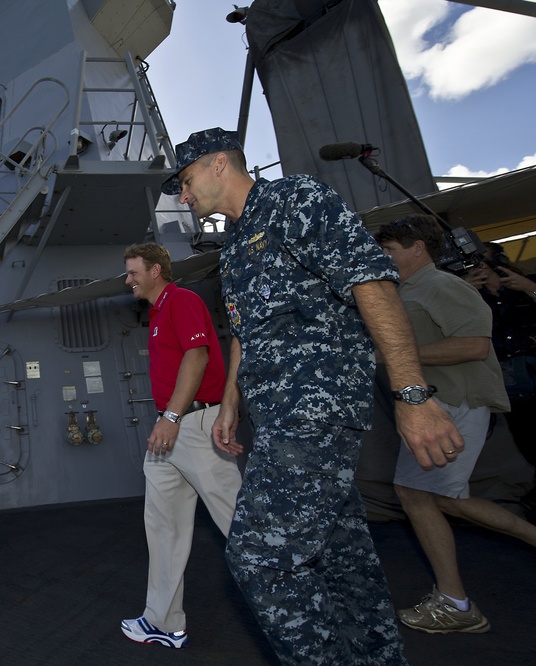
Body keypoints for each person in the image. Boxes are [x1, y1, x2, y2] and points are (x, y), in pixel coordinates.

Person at [162, 127, 463, 665]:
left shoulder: (295, 200)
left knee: (260, 559)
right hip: (279, 417)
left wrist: (412, 394)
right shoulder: (233, 249)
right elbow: (246, 335)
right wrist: (231, 402)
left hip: (316, 408)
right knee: (340, 559)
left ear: (217, 165)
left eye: (185, 181)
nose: (183, 196)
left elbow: (371, 282)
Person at [375, 216, 536, 634]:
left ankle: (456, 604)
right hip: (440, 402)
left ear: (418, 248)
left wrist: (402, 356)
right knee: (438, 497)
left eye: (390, 250)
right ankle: (456, 599)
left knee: (417, 494)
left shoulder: (442, 286)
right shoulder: (408, 290)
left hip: (455, 402)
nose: (384, 258)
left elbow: (474, 345)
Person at [119, 242, 243, 649]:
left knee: (239, 524)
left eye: (134, 271)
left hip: (192, 424)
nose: (128, 279)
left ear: (156, 270)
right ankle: (163, 622)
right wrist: (167, 419)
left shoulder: (181, 300)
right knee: (163, 527)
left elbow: (198, 355)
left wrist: (172, 417)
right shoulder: (156, 313)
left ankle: (297, 604)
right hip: (171, 428)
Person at [464, 243, 536, 467]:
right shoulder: (471, 294)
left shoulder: (526, 284)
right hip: (505, 379)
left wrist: (529, 288)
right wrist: (462, 292)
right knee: (525, 439)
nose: (482, 268)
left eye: (487, 263)